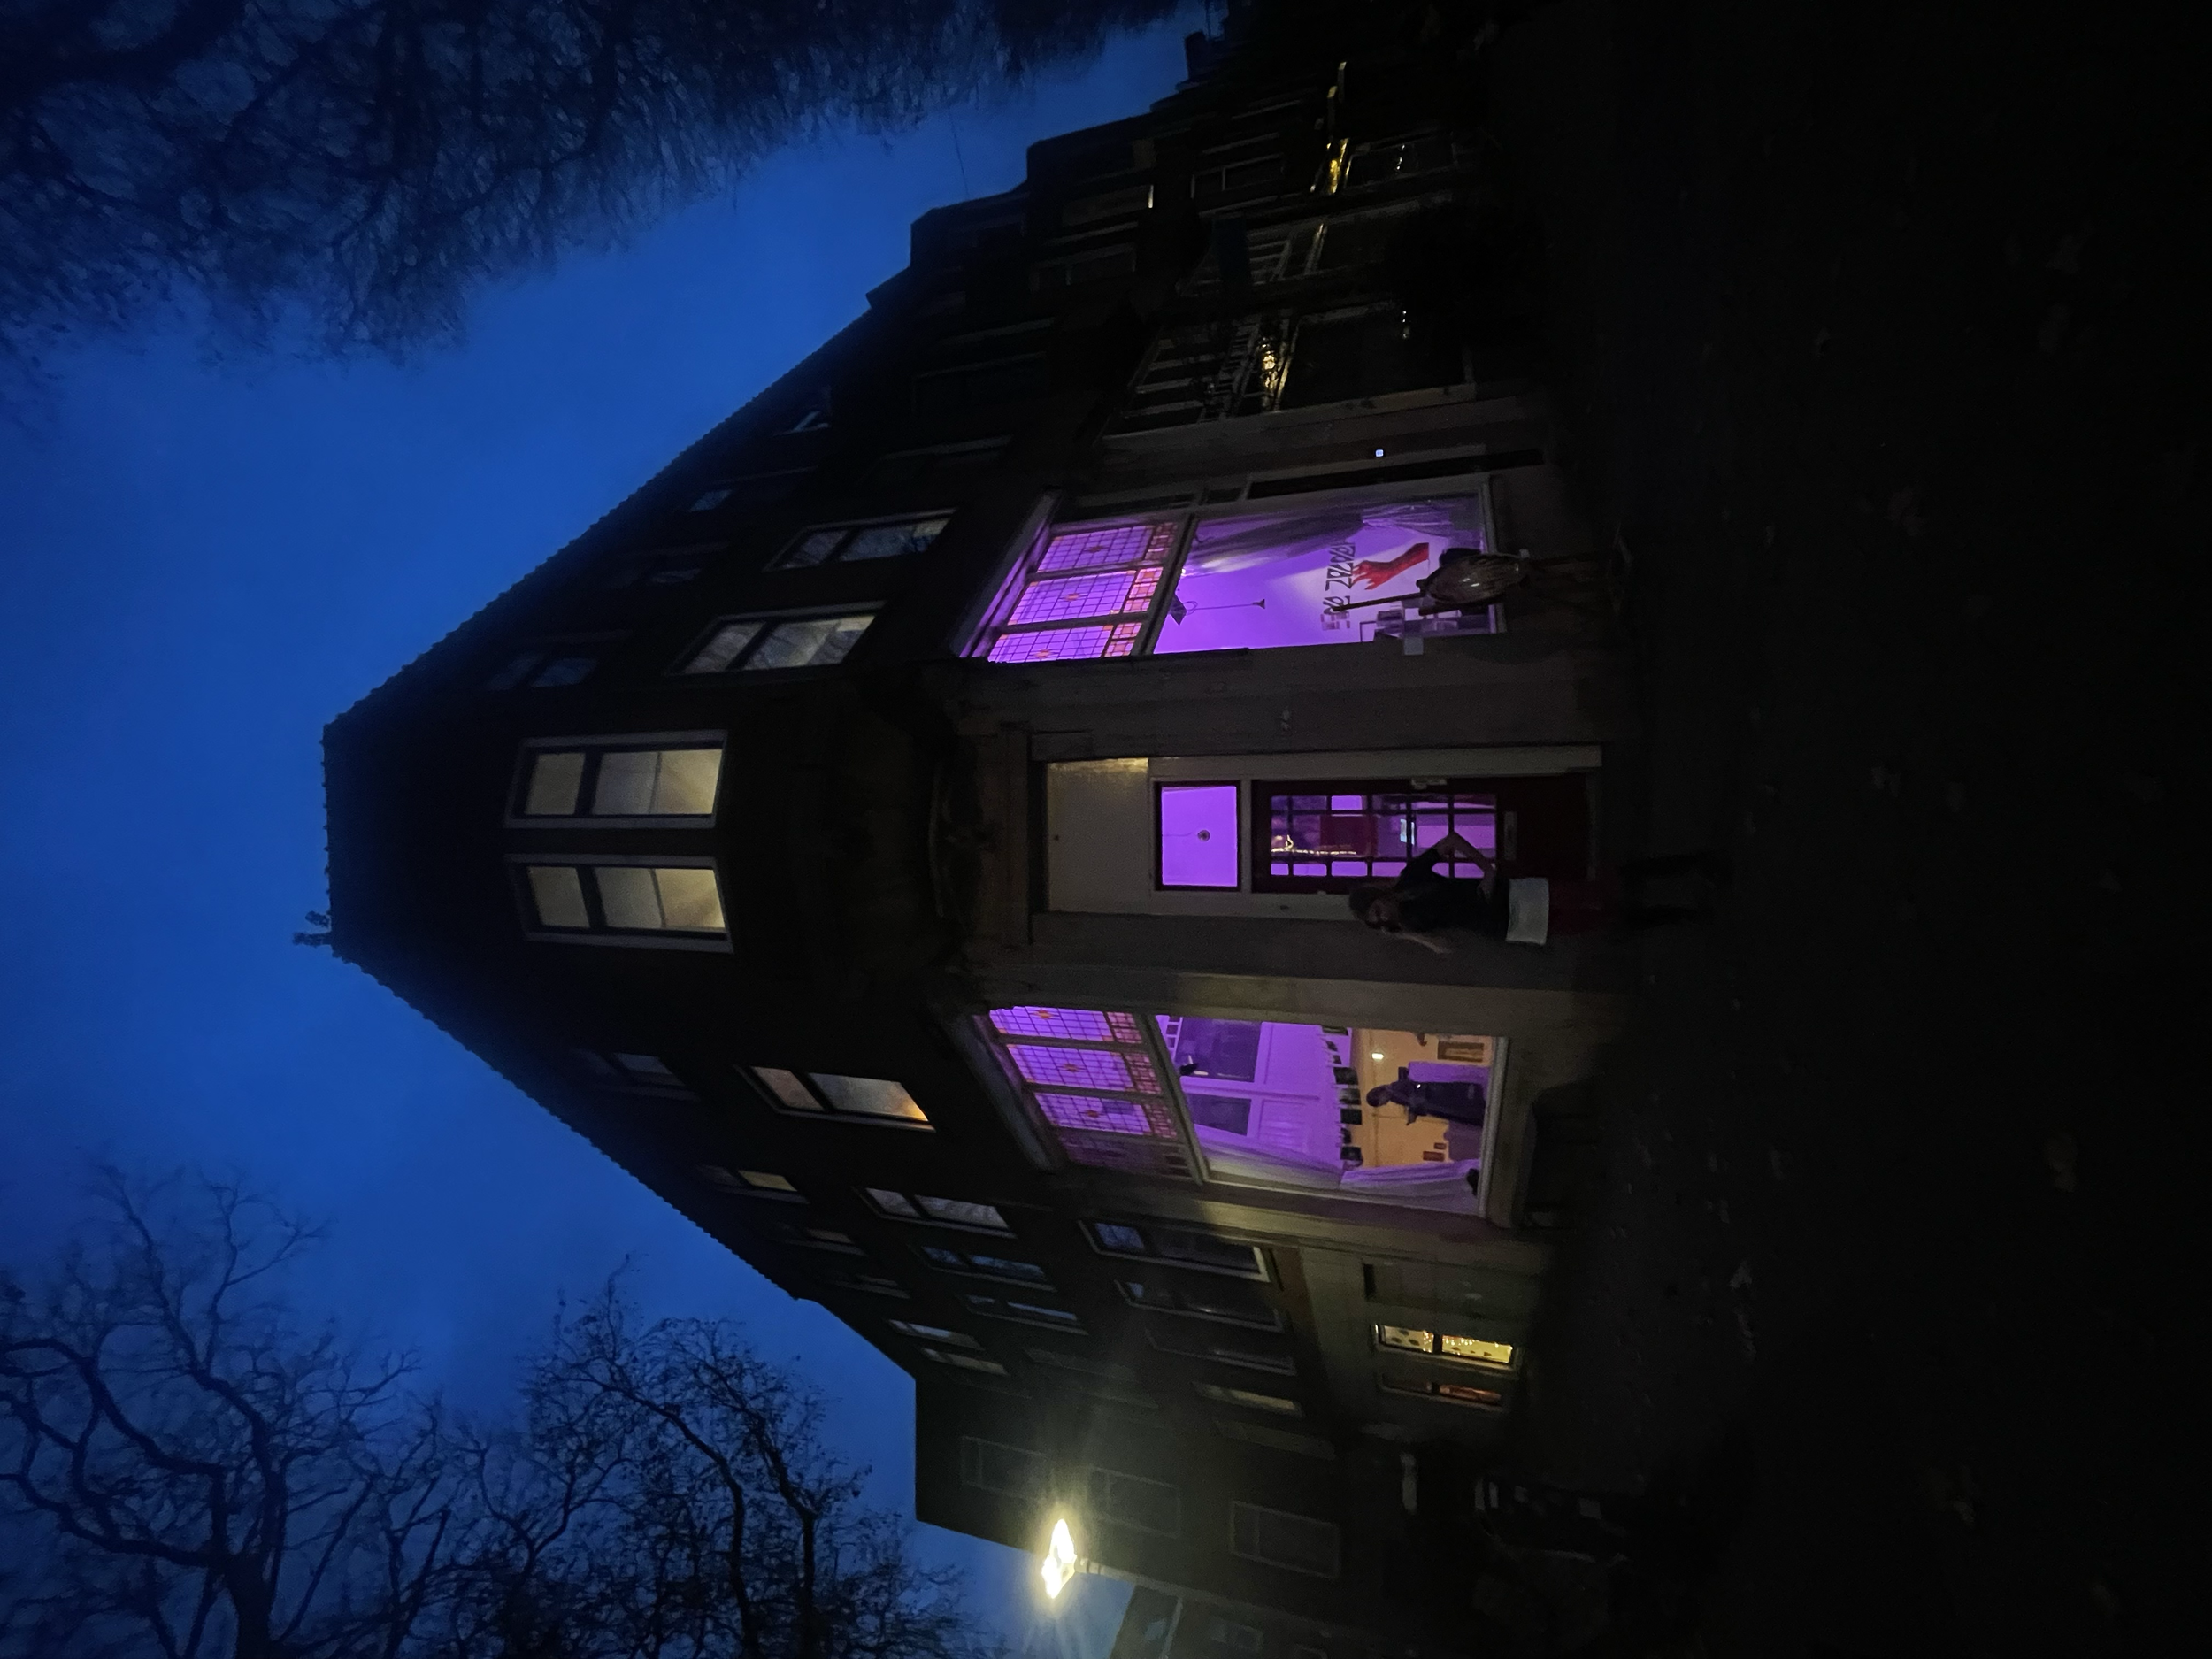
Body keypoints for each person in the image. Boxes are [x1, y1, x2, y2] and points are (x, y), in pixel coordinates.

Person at [1347, 831, 1726, 951]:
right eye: (1376, 921)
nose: (1382, 918)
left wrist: (1486, 869)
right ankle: (1682, 913)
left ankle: (1690, 866)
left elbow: (1449, 842)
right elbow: (1446, 946)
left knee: (1604, 890)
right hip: (1508, 927)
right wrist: (1406, 934)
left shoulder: (1412, 877)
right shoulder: (1410, 921)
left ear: (1378, 896)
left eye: (1377, 910)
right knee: (1604, 920)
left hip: (1513, 897)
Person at [1367, 1069, 1486, 1128]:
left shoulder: (1396, 1087)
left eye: (1381, 1102)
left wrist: (1412, 1112)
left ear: (1380, 1094)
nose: (1383, 1104)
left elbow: (1414, 1092)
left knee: (1460, 1105)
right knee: (1458, 1112)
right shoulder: (1394, 1097)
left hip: (1435, 1096)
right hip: (1432, 1103)